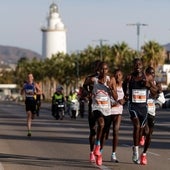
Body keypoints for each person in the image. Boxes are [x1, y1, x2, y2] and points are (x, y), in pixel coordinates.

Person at [123, 58, 158, 164]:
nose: (137, 66)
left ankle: (136, 147)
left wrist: (148, 85)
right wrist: (126, 94)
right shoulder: (129, 77)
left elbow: (155, 91)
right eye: (135, 64)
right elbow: (124, 86)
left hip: (144, 107)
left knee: (142, 130)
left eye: (139, 64)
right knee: (137, 126)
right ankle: (136, 151)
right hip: (133, 106)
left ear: (142, 66)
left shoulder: (146, 77)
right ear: (133, 66)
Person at [90, 61, 117, 166]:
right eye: (101, 69)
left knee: (105, 134)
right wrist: (88, 92)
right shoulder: (94, 80)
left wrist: (111, 88)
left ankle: (99, 152)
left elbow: (115, 97)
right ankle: (96, 146)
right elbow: (85, 85)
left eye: (105, 69)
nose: (103, 71)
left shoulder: (111, 80)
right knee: (100, 124)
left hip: (107, 109)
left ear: (107, 70)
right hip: (96, 107)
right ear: (98, 70)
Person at [140, 66, 165, 165]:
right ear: (146, 75)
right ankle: (142, 135)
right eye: (149, 73)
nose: (152, 75)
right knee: (146, 131)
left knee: (150, 135)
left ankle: (144, 154)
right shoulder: (142, 83)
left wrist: (157, 94)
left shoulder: (157, 85)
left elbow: (162, 101)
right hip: (143, 110)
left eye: (153, 73)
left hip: (152, 112)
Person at [83, 60, 101, 163]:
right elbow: (84, 87)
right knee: (93, 130)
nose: (98, 69)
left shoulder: (106, 79)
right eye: (96, 67)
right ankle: (91, 151)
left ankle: (98, 148)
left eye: (99, 67)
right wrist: (88, 93)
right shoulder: (90, 78)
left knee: (102, 128)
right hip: (93, 106)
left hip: (104, 107)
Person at [107, 69, 125, 163]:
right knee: (105, 134)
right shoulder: (111, 85)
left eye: (120, 74)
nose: (118, 76)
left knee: (115, 131)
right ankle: (99, 149)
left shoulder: (124, 86)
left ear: (122, 76)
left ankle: (113, 154)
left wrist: (123, 101)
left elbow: (126, 97)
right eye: (116, 75)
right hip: (109, 111)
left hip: (118, 111)